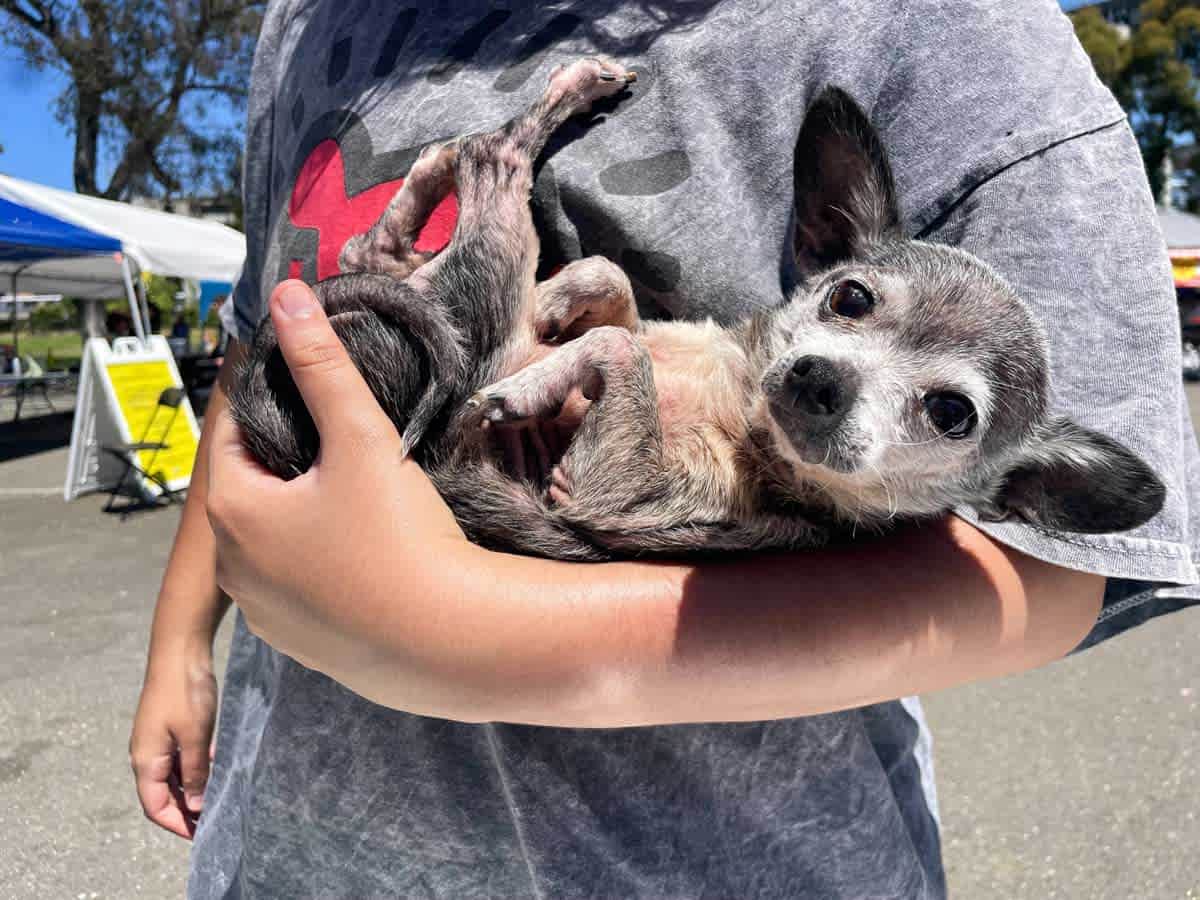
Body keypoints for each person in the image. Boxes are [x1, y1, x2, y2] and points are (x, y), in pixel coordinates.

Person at [130, 2, 1200, 898]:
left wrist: (456, 632)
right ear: (826, 250)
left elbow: (1058, 581)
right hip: (286, 833)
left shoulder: (947, 31)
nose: (839, 367)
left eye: (947, 414)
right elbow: (263, 345)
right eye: (853, 306)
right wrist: (180, 635)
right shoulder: (309, 20)